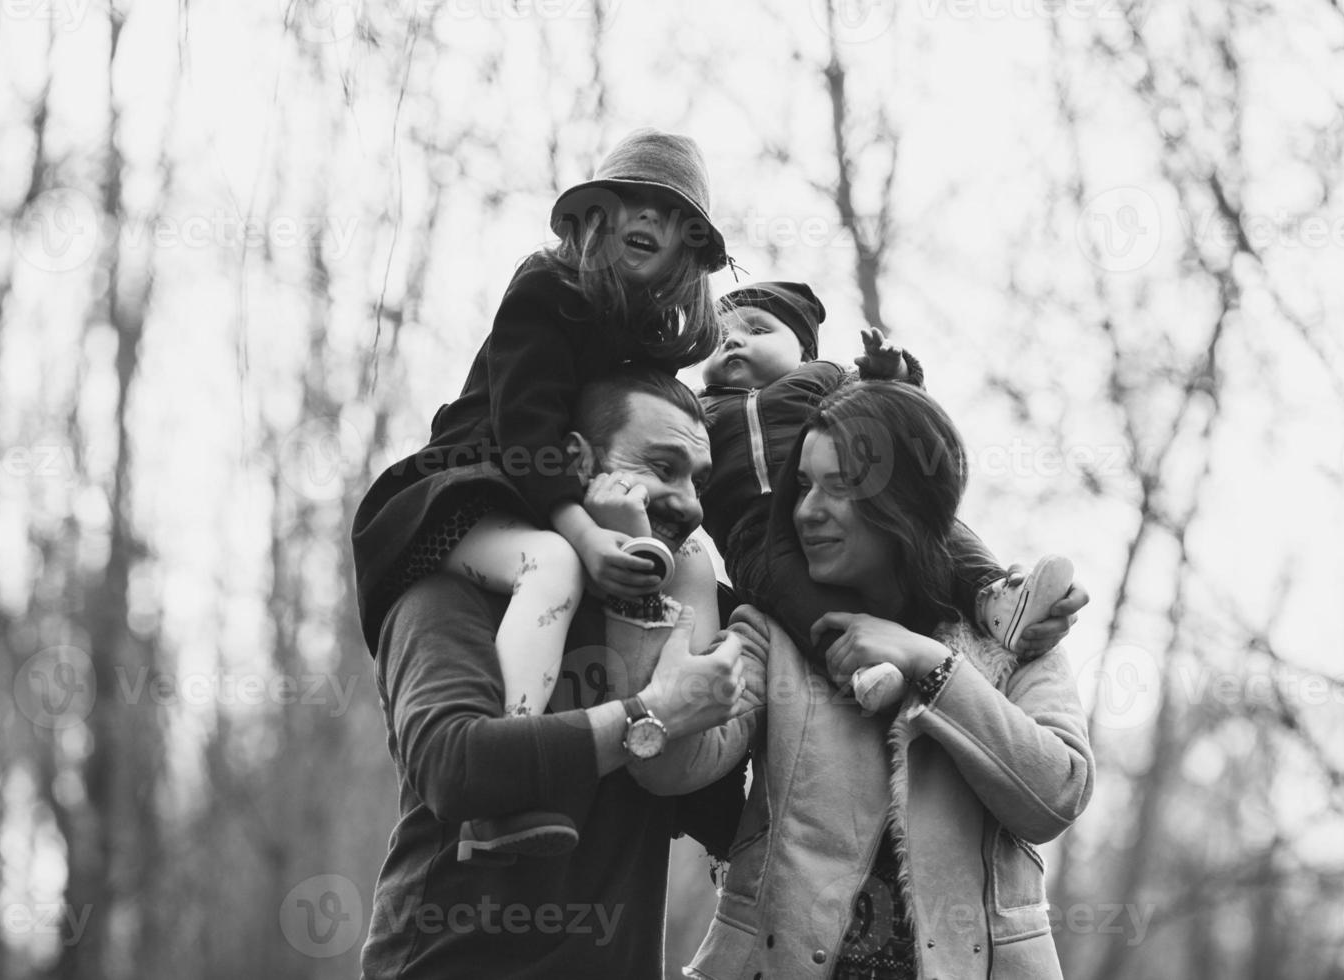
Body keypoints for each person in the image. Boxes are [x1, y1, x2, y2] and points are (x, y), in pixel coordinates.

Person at [352, 128, 728, 859]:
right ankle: (511, 802)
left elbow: (674, 437)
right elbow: (525, 429)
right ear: (595, 218)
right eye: (631, 202)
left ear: (691, 246)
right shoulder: (548, 291)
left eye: (670, 213)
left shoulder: (640, 336)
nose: (647, 219)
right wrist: (585, 535)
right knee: (552, 567)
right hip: (462, 498)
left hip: (536, 508)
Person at [685, 379, 1095, 980]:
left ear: (904, 502)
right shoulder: (775, 633)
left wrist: (931, 665)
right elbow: (676, 762)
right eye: (802, 485)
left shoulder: (1012, 633)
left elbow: (1055, 797)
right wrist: (677, 583)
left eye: (840, 487)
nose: (807, 512)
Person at [357, 368, 758, 980]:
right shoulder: (449, 592)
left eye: (698, 481)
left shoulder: (679, 619)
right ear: (576, 460)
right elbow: (453, 763)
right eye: (662, 466)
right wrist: (649, 718)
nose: (691, 504)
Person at [697, 281, 1084, 707]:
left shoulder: (824, 380)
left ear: (804, 349)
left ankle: (996, 595)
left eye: (757, 329)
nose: (732, 339)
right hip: (753, 535)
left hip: (864, 510)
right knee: (791, 592)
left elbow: (897, 419)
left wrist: (892, 374)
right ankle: (859, 666)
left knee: (935, 526)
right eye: (718, 336)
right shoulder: (698, 409)